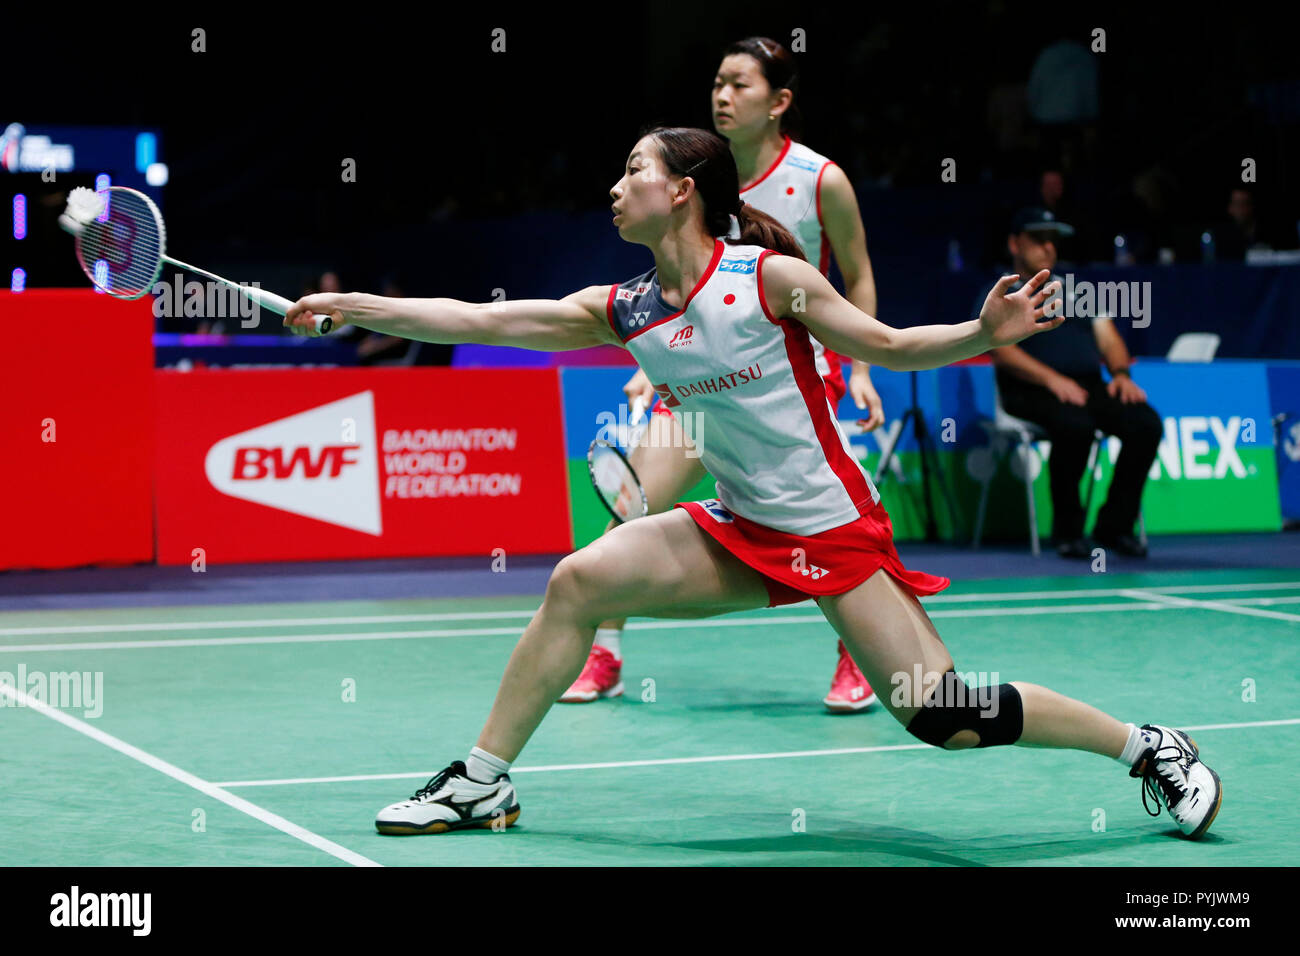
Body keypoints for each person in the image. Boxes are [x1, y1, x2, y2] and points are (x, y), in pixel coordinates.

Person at [285, 127, 1222, 842]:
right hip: (738, 527)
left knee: (944, 716)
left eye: (633, 173)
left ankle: (1148, 746)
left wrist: (983, 337)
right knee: (578, 580)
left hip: (833, 529)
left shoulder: (768, 278)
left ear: (681, 190)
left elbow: (889, 348)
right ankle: (483, 778)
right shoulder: (628, 307)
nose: (614, 191)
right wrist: (353, 308)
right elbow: (482, 323)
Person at [564, 37, 888, 713]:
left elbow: (855, 276)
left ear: (781, 101)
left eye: (739, 84)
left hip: (791, 386)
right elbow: (684, 299)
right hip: (701, 390)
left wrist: (860, 367)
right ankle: (605, 655)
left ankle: (861, 652)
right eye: (716, 82)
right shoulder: (696, 182)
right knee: (631, 510)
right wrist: (656, 370)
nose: (721, 96)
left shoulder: (818, 178)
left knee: (835, 527)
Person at [987, 208, 1162, 558]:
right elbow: (1000, 349)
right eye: (1038, 239)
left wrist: (1122, 376)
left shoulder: (1076, 290)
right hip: (1029, 390)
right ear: (1014, 243)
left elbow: (1108, 337)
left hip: (1086, 386)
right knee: (1075, 426)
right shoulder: (1004, 291)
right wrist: (1053, 380)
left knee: (1145, 423)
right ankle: (1068, 532)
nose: (1048, 247)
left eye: (1053, 239)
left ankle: (1114, 526)